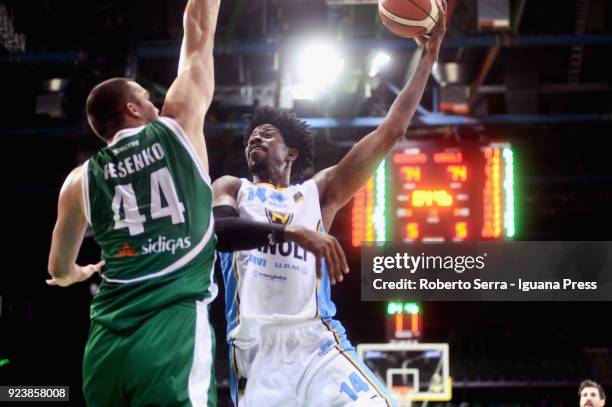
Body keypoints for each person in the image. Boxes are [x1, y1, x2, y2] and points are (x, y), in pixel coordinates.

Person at [212, 1, 447, 405]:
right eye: (252, 136)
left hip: (317, 341)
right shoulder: (233, 188)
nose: (256, 139)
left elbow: (392, 130)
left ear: (291, 154)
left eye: (267, 135)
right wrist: (292, 232)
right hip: (256, 350)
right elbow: (220, 234)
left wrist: (429, 54)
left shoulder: (318, 193)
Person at [45, 0, 221, 405]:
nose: (156, 104)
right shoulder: (177, 126)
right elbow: (199, 29)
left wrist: (75, 274)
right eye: (147, 97)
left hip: (106, 347)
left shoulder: (79, 180)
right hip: (170, 332)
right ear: (132, 108)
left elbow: (57, 267)